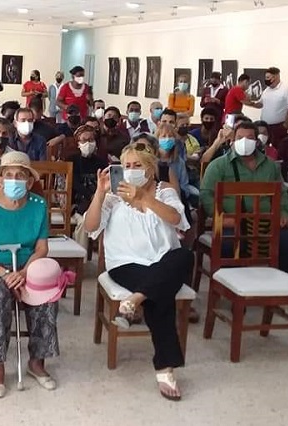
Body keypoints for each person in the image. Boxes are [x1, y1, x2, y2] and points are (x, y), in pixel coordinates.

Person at [83, 143, 193, 401]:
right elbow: (90, 226)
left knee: (185, 256)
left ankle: (134, 300)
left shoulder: (164, 191)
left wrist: (144, 198)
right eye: (127, 166)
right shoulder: (113, 196)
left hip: (164, 261)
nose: (131, 170)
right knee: (160, 293)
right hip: (126, 264)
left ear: (150, 169)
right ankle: (165, 367)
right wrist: (99, 193)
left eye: (137, 165)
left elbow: (177, 220)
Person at [0, 151, 55, 398]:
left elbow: (42, 248)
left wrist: (25, 272)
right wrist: (5, 274)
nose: (14, 180)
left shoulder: (38, 206)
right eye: (9, 175)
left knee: (46, 294)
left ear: (29, 181)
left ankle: (37, 361)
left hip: (27, 265)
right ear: (1, 179)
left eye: (20, 175)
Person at [200, 121, 288, 276]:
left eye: (249, 138)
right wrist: (220, 217)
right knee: (229, 246)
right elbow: (206, 194)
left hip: (265, 224)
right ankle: (230, 285)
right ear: (233, 140)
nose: (244, 141)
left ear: (256, 141)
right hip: (233, 223)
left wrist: (283, 213)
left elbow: (282, 192)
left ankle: (276, 283)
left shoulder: (270, 166)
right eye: (240, 137)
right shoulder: (218, 165)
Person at [68, 125, 108, 248]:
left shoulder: (101, 162)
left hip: (100, 202)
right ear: (78, 143)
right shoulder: (71, 161)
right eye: (84, 140)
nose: (88, 143)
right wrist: (91, 196)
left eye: (91, 140)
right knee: (83, 222)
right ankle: (81, 256)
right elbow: (74, 183)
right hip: (78, 204)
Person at [248, 67, 288, 147]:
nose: (266, 79)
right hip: (265, 127)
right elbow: (261, 104)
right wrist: (250, 103)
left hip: (279, 126)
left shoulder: (287, 89)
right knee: (265, 147)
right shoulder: (266, 90)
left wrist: (286, 122)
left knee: (278, 147)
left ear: (275, 77)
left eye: (268, 77)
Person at [156, 124, 196, 207]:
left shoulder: (179, 162)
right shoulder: (152, 161)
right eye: (163, 136)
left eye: (170, 136)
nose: (167, 139)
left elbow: (184, 186)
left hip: (176, 199)